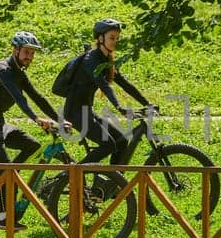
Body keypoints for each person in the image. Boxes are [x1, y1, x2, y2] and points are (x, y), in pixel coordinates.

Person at [0, 30, 65, 217]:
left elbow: (37, 97)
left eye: (33, 53)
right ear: (15, 50)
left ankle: (5, 180)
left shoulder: (19, 73)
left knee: (32, 146)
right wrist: (36, 119)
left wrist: (60, 119)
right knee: (6, 171)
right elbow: (19, 99)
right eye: (26, 52)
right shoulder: (2, 70)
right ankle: (4, 216)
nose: (30, 57)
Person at [58, 18, 153, 168]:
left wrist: (147, 103)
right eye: (112, 38)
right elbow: (103, 85)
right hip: (74, 114)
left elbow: (124, 83)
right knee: (108, 145)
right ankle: (72, 175)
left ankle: (111, 184)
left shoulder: (106, 60)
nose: (115, 42)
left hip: (87, 112)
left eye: (117, 38)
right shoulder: (90, 60)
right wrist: (119, 106)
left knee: (121, 141)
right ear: (100, 38)